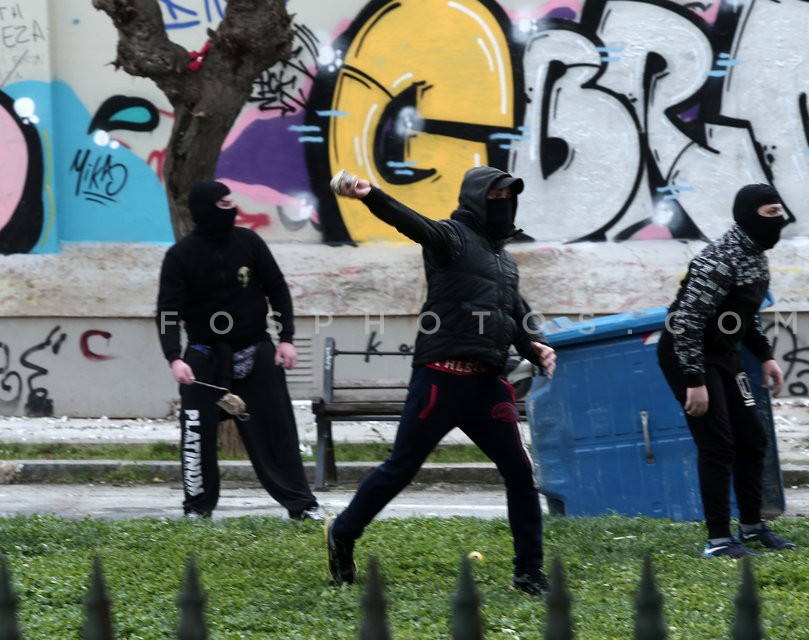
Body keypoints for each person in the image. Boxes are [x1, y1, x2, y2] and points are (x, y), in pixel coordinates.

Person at [325, 166, 557, 595]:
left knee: (520, 471)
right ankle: (342, 532)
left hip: (487, 385)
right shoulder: (450, 238)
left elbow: (514, 313)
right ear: (475, 199)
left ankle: (529, 573)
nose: (502, 204)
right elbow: (412, 223)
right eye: (494, 196)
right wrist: (370, 195)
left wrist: (536, 346)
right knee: (401, 468)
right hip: (440, 380)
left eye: (508, 197)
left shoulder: (505, 262)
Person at [155, 180, 323, 521]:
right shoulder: (180, 256)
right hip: (203, 358)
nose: (232, 209)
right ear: (206, 210)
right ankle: (197, 508)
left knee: (278, 433)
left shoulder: (249, 243)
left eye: (232, 202)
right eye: (224, 204)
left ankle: (302, 506)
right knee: (196, 434)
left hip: (255, 351)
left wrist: (286, 339)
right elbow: (167, 311)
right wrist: (174, 358)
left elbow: (277, 289)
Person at [657, 183, 796, 559]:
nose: (779, 219)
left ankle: (751, 526)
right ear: (748, 215)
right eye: (770, 213)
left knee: (753, 437)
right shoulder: (718, 259)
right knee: (717, 444)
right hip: (688, 354)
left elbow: (741, 316)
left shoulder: (756, 256)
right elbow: (685, 322)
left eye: (780, 211)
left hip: (723, 354)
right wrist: (694, 380)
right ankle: (718, 539)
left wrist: (765, 356)